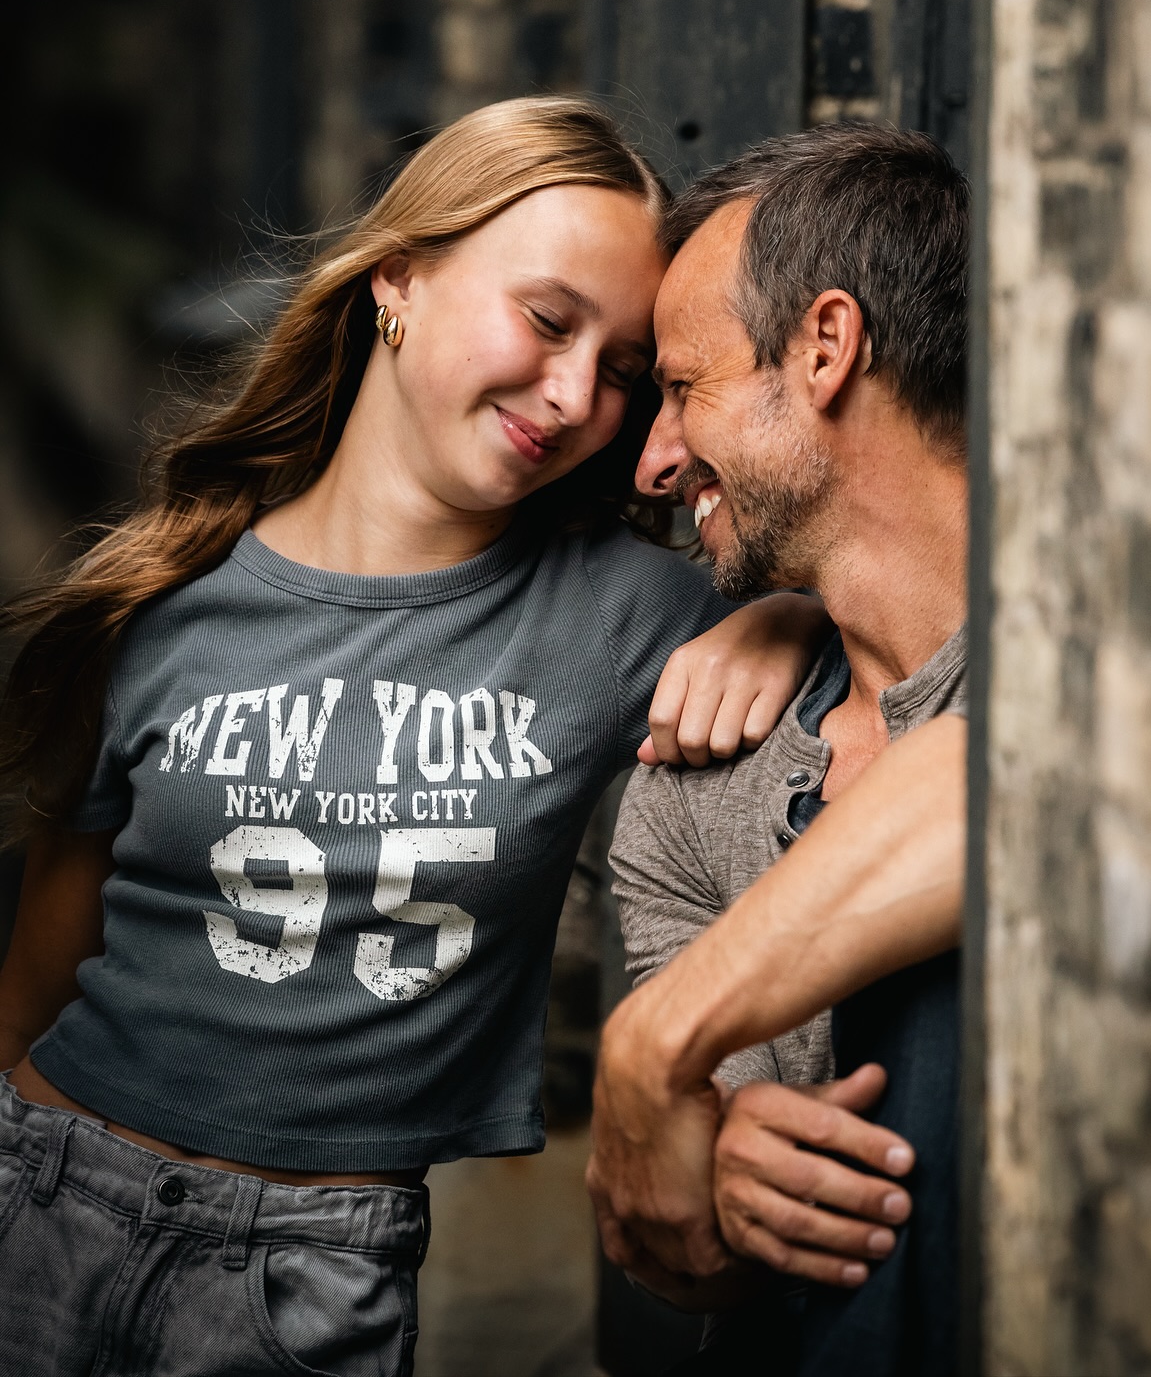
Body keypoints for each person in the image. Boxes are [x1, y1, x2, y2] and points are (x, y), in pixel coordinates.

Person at [0, 97, 830, 1377]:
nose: (573, 397)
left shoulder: (622, 612)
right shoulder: (166, 598)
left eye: (621, 372)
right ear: (399, 279)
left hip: (310, 1265)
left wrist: (773, 612)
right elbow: (41, 972)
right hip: (41, 1193)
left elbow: (906, 632)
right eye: (549, 320)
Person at [587, 124, 970, 1376]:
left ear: (825, 346)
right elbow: (669, 1217)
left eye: (682, 387)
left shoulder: (1097, 646)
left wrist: (655, 1046)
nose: (649, 457)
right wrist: (732, 1151)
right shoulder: (692, 791)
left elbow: (1013, 767)